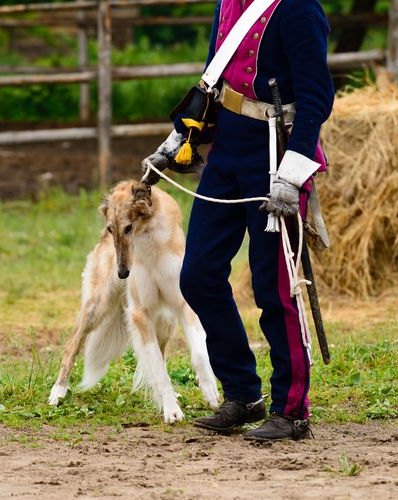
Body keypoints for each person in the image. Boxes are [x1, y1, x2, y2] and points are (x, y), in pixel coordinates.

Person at [142, 0, 334, 441]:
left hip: (276, 153)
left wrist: (294, 170)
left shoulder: (300, 8)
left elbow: (316, 97)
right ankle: (243, 394)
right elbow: (215, 77)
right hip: (227, 151)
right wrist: (178, 140)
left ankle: (291, 409)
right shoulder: (229, 1)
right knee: (199, 276)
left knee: (274, 289)